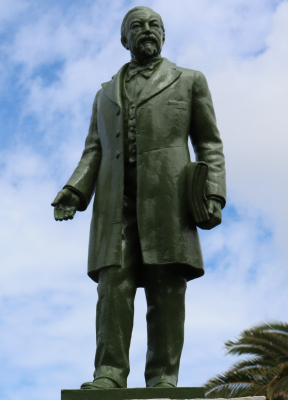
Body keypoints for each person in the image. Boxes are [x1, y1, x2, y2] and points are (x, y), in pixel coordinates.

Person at [52, 6, 226, 390]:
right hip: (115, 205)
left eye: (154, 26)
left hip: (169, 201)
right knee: (113, 287)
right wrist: (73, 190)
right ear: (123, 39)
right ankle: (109, 373)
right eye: (137, 27)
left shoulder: (190, 80)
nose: (147, 31)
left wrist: (213, 192)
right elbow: (94, 151)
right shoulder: (104, 94)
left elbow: (209, 143)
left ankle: (163, 377)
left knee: (166, 287)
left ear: (163, 36)